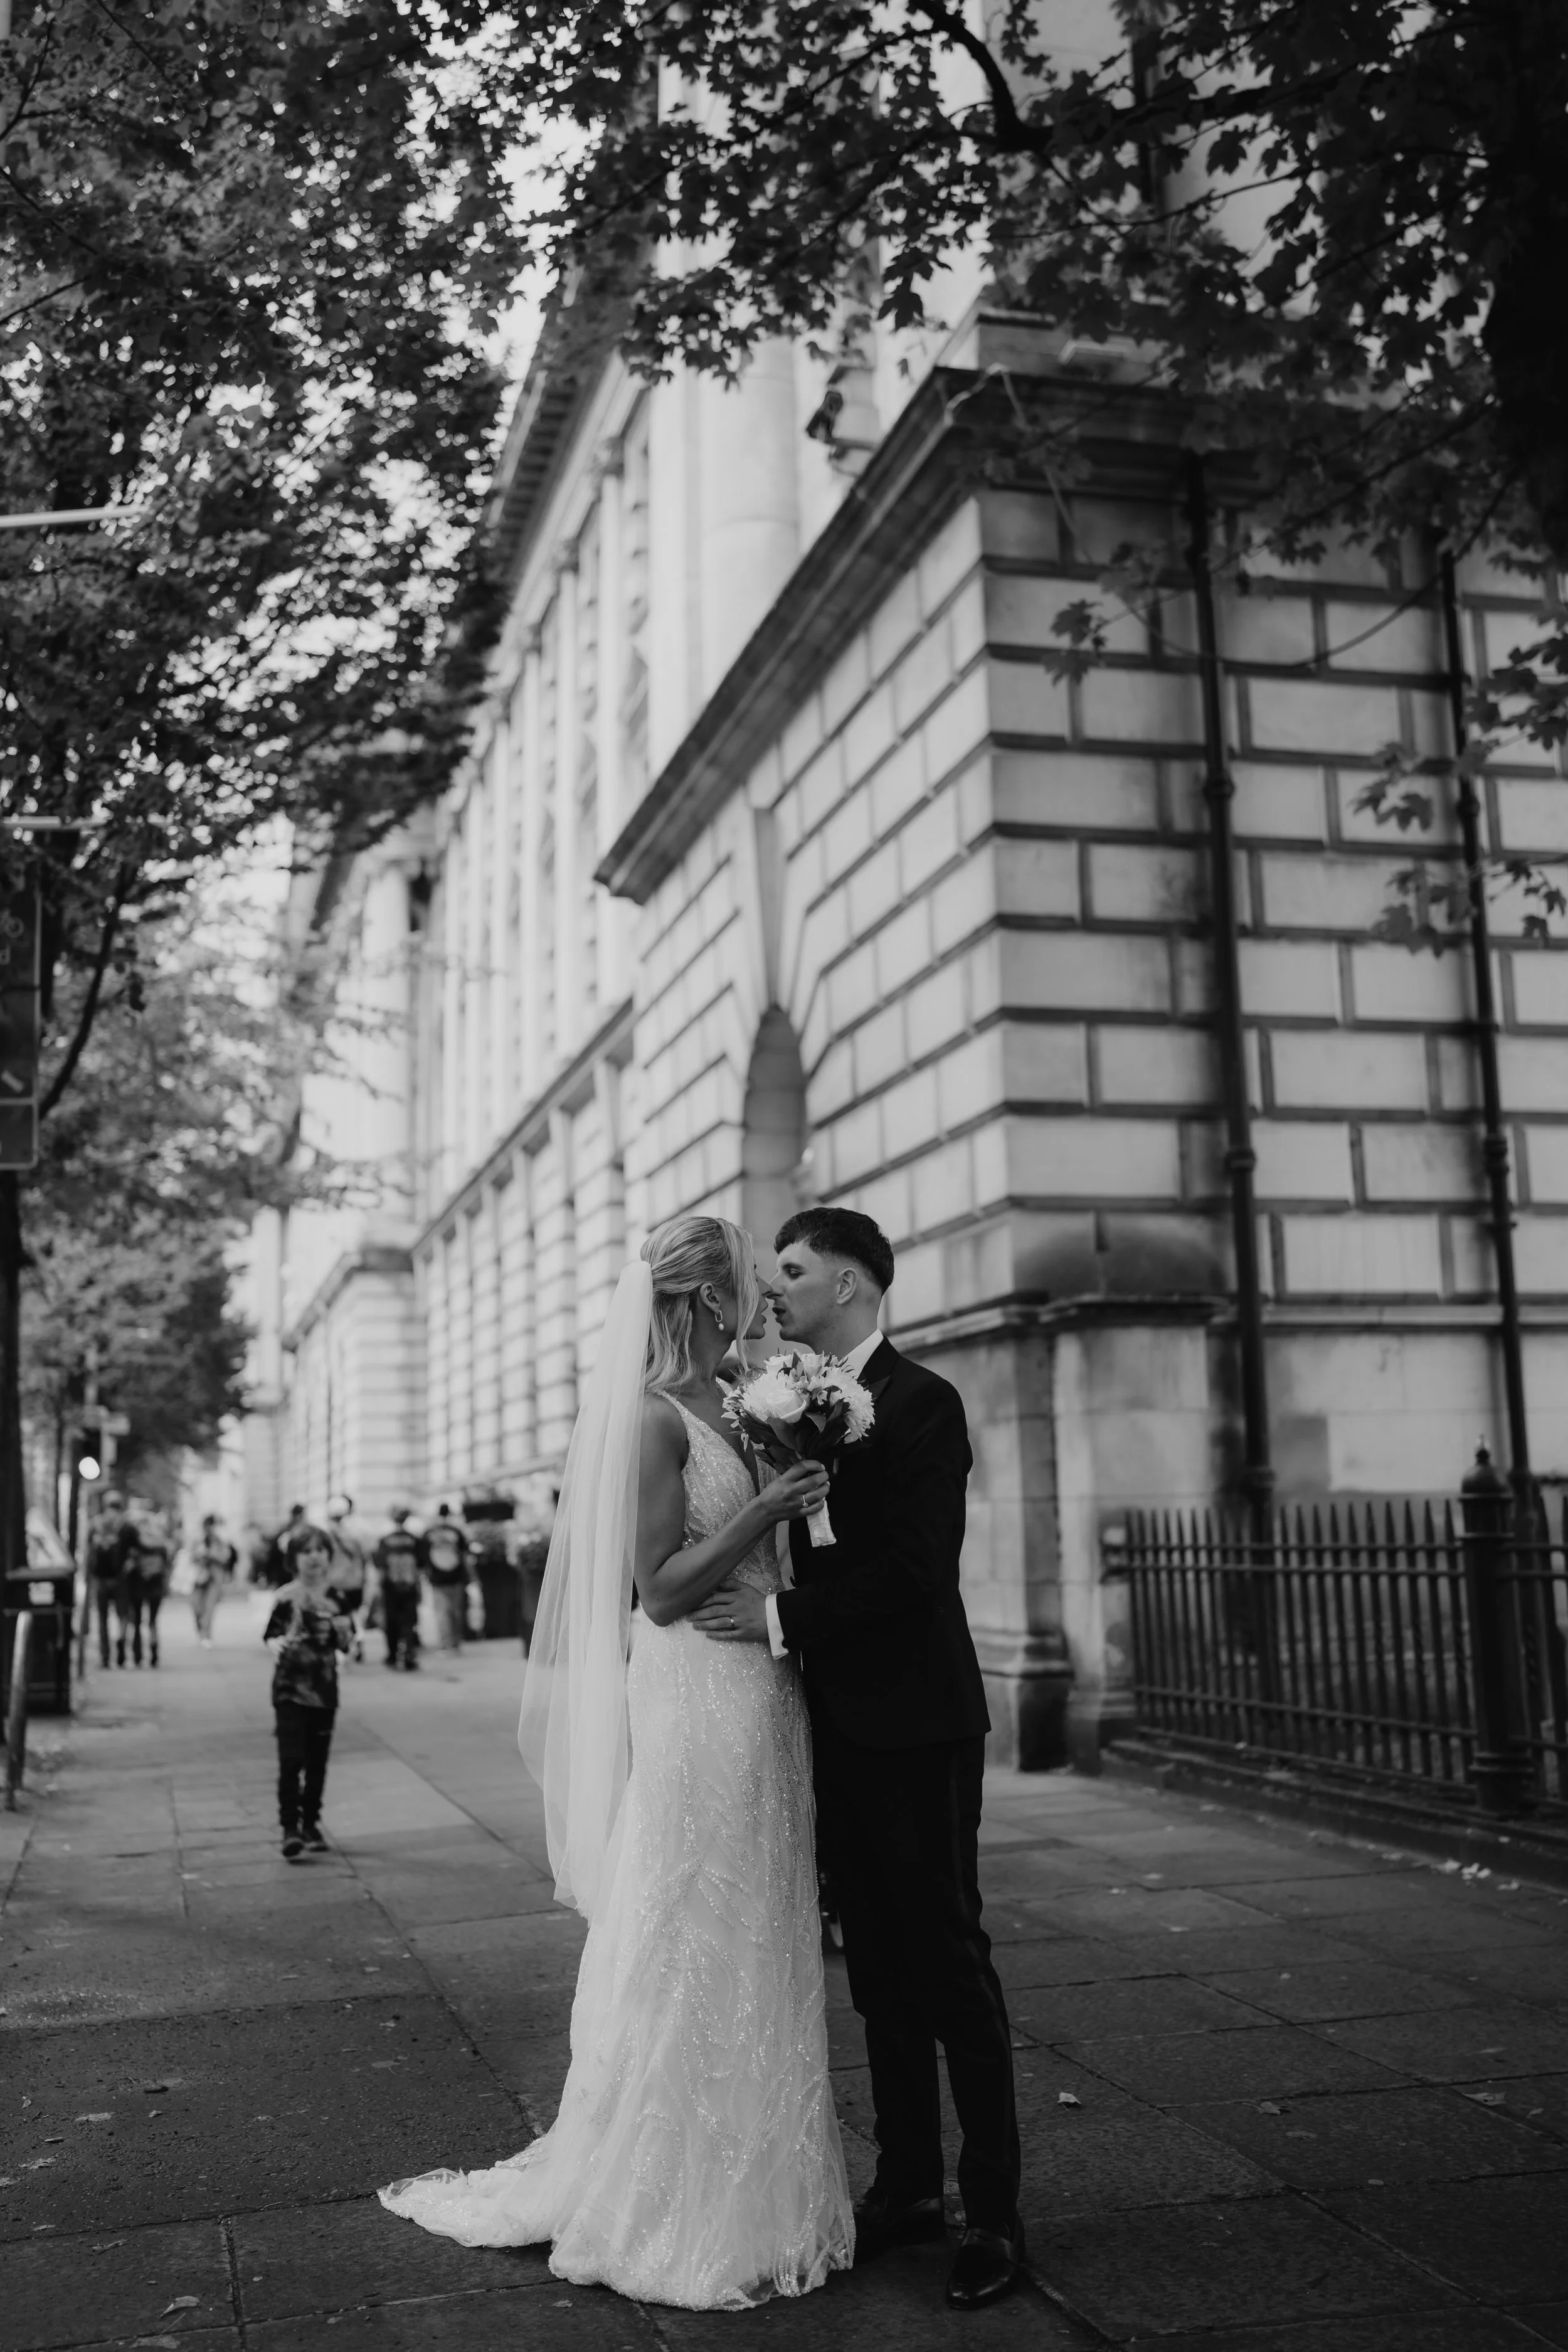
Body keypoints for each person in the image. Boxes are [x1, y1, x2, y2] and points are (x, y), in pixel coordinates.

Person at [380, 1214, 851, 2308]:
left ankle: (767, 2182)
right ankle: (675, 2197)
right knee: (698, 1917)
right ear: (701, 1298)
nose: (759, 1298)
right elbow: (660, 1589)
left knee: (765, 1917)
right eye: (744, 1280)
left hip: (764, 1687)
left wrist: (794, 1520)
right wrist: (766, 1513)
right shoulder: (649, 1420)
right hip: (698, 1693)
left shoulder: (743, 1397)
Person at [692, 1206, 1023, 2311]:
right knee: (876, 1967)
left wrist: (785, 1620)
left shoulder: (927, 1406)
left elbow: (921, 1573)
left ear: (850, 1283)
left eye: (790, 1271)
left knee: (948, 1960)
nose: (772, 1288)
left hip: (920, 1723)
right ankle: (911, 2189)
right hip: (830, 1724)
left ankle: (997, 2212)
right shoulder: (786, 1404)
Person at [263, 1521, 351, 1860]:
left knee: (317, 1761)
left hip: (325, 1690)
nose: (314, 1557)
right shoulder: (286, 1597)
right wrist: (277, 1645)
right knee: (291, 1759)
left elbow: (345, 1643)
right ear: (294, 1559)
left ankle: (312, 1822)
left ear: (329, 1556)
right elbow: (270, 1635)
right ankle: (290, 1828)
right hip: (289, 1689)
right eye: (306, 1551)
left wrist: (344, 1633)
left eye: (320, 1550)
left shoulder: (337, 1598)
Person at [85, 1491, 138, 1668]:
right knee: (123, 1615)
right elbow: (134, 1555)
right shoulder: (127, 1527)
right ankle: (121, 1642)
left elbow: (88, 1552)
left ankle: (105, 1656)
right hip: (120, 1580)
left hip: (100, 1579)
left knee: (102, 1619)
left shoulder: (95, 1524)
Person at [373, 1506, 422, 1670]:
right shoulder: (414, 1540)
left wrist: (379, 1588)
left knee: (392, 1622)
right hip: (409, 1586)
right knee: (408, 1621)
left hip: (391, 1588)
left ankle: (393, 1655)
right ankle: (408, 1653)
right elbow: (421, 1567)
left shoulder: (386, 1540)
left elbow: (380, 1567)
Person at [124, 1505, 172, 1668]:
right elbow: (167, 1561)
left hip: (138, 1584)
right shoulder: (160, 1541)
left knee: (136, 1621)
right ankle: (154, 1655)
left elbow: (129, 1564)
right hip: (156, 1584)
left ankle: (137, 1656)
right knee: (152, 1621)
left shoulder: (135, 1541)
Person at [420, 1503, 470, 1651]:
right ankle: (455, 1642)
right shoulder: (456, 1531)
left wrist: (425, 1574)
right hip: (456, 1575)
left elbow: (424, 1556)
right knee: (456, 1611)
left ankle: (445, 1643)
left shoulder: (429, 1532)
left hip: (436, 1577)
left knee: (441, 1612)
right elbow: (465, 1555)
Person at [325, 1493, 368, 1660]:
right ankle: (358, 1642)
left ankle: (340, 1650)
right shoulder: (358, 1530)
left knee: (336, 1617)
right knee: (355, 1616)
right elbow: (366, 1556)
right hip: (355, 1581)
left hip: (334, 1582)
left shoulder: (326, 1533)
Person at [189, 1513, 238, 1646]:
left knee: (209, 1607)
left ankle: (206, 1635)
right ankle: (200, 1628)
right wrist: (200, 1557)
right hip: (199, 1577)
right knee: (196, 1606)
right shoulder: (197, 1540)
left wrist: (213, 1556)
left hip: (215, 1578)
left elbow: (226, 1558)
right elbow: (190, 1557)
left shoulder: (220, 1541)